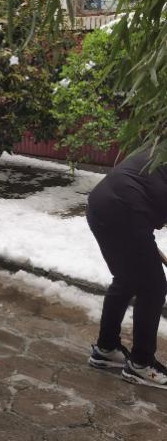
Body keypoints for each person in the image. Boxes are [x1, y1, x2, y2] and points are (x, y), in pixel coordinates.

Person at [87, 149, 167, 388]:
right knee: (153, 288)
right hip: (126, 210)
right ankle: (141, 364)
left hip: (101, 203)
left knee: (126, 279)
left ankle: (106, 349)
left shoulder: (161, 148)